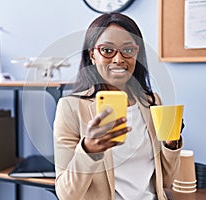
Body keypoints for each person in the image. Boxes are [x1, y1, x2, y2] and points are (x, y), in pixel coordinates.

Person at [53, 13, 183, 200]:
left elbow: (166, 181)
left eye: (128, 50)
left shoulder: (152, 102)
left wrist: (172, 144)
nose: (118, 59)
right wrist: (88, 150)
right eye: (107, 50)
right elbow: (67, 194)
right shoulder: (70, 108)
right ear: (92, 55)